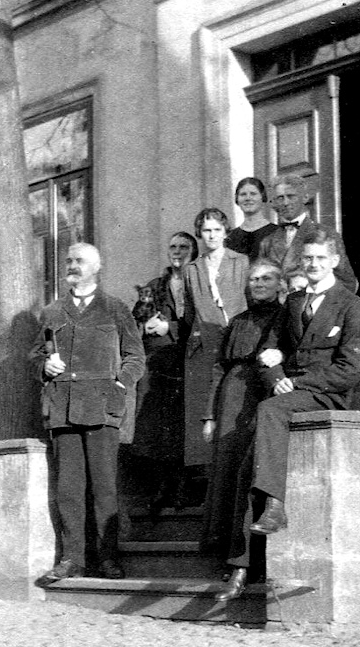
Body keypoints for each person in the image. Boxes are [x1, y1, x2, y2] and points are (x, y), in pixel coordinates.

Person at [30, 243, 145, 584]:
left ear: (97, 267)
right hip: (63, 407)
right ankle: (72, 560)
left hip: (102, 408)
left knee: (105, 488)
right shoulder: (52, 311)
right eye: (69, 260)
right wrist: (44, 364)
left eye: (79, 261)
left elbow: (135, 356)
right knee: (68, 489)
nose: (72, 265)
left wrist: (120, 386)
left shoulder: (115, 308)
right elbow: (36, 353)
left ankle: (108, 558)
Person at [249, 230, 360, 537]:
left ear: (334, 261)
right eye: (308, 258)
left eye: (320, 258)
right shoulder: (293, 302)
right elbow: (268, 352)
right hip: (291, 389)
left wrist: (295, 383)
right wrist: (276, 379)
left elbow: (349, 370)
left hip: (329, 393)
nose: (313, 264)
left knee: (271, 410)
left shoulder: (351, 306)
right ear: (300, 261)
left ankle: (275, 506)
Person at [202, 260, 284, 601]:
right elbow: (220, 368)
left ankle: (250, 565)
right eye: (253, 279)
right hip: (230, 401)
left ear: (279, 283)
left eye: (266, 278)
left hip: (261, 397)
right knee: (226, 476)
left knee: (250, 478)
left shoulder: (285, 317)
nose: (259, 284)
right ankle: (226, 555)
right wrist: (210, 415)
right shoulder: (236, 322)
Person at [132, 231, 199, 511]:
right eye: (173, 246)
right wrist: (146, 324)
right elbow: (138, 316)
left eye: (184, 247)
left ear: (193, 251)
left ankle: (183, 487)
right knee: (158, 426)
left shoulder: (199, 281)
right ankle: (162, 487)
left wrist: (168, 328)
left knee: (184, 425)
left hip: (191, 360)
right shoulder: (156, 285)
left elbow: (201, 319)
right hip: (160, 363)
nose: (177, 251)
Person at [182, 208, 249, 481]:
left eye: (217, 230)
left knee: (232, 407)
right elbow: (188, 313)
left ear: (225, 232)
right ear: (200, 233)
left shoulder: (241, 262)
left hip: (234, 343)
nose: (211, 235)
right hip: (203, 346)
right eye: (206, 230)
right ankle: (206, 482)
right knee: (202, 416)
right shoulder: (192, 269)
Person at [257, 173, 358, 293]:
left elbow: (347, 282)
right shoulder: (267, 242)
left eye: (291, 196)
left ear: (305, 197)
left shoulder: (326, 234)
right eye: (280, 198)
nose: (285, 203)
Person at [224, 177, 279, 260]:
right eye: (243, 194)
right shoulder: (230, 237)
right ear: (237, 199)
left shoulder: (277, 233)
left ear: (262, 196)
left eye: (253, 194)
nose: (248, 198)